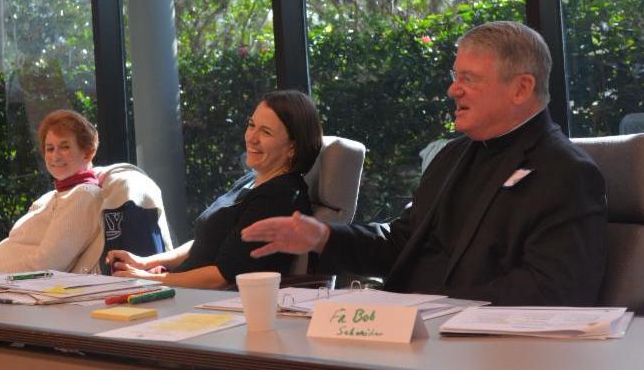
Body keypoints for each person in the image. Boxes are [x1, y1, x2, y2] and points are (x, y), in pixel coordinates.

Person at [242, 21, 608, 306]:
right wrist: (324, 236)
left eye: (468, 79)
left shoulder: (565, 172)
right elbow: (400, 242)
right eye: (455, 77)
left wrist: (435, 306)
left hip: (482, 348)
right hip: (406, 327)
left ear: (521, 88)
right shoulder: (453, 155)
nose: (453, 89)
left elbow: (556, 290)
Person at [106, 90, 323, 289]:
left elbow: (223, 277)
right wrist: (145, 263)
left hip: (209, 302)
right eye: (251, 125)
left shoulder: (279, 196)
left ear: (292, 147)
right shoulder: (252, 180)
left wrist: (147, 279)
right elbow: (206, 244)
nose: (251, 138)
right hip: (186, 292)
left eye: (266, 132)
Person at [0, 109, 103, 275]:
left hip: (2, 280)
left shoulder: (83, 195)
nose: (55, 156)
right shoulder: (51, 196)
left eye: (65, 147)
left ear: (88, 153)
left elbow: (47, 264)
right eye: (50, 148)